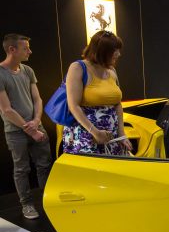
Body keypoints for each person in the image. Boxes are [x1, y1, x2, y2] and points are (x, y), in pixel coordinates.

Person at [0, 33, 52, 219]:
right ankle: (27, 205)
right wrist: (30, 129)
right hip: (16, 131)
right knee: (21, 169)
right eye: (25, 48)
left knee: (44, 165)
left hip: (36, 127)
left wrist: (37, 121)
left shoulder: (28, 70)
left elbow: (37, 99)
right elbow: (6, 110)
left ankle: (49, 201)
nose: (30, 51)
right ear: (12, 50)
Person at [63, 30, 132, 155]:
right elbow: (73, 106)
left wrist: (122, 134)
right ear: (101, 51)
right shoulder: (78, 67)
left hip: (112, 136)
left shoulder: (111, 70)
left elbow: (117, 104)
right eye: (114, 51)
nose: (118, 54)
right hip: (86, 135)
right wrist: (94, 132)